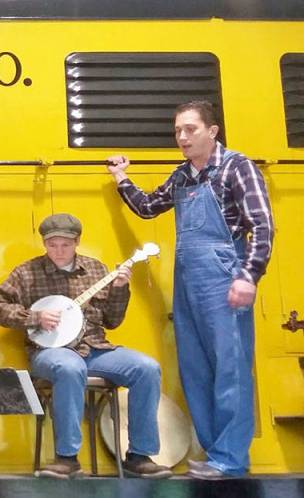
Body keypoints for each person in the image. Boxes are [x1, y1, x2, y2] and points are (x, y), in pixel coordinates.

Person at [106, 100, 274, 479]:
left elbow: (262, 225)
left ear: (212, 131)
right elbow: (148, 207)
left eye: (190, 129)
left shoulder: (237, 167)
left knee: (230, 370)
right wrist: (121, 178)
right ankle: (216, 454)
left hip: (225, 280)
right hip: (188, 284)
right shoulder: (182, 176)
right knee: (195, 370)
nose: (182, 137)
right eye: (178, 130)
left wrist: (249, 275)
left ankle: (231, 459)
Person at [0, 213, 172, 479]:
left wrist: (120, 288)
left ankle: (140, 456)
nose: (58, 251)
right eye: (52, 245)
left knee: (147, 368)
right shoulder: (27, 272)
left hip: (95, 349)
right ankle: (67, 458)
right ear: (44, 243)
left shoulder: (96, 269)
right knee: (69, 367)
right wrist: (35, 317)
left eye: (66, 244)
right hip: (49, 353)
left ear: (77, 242)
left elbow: (113, 320)